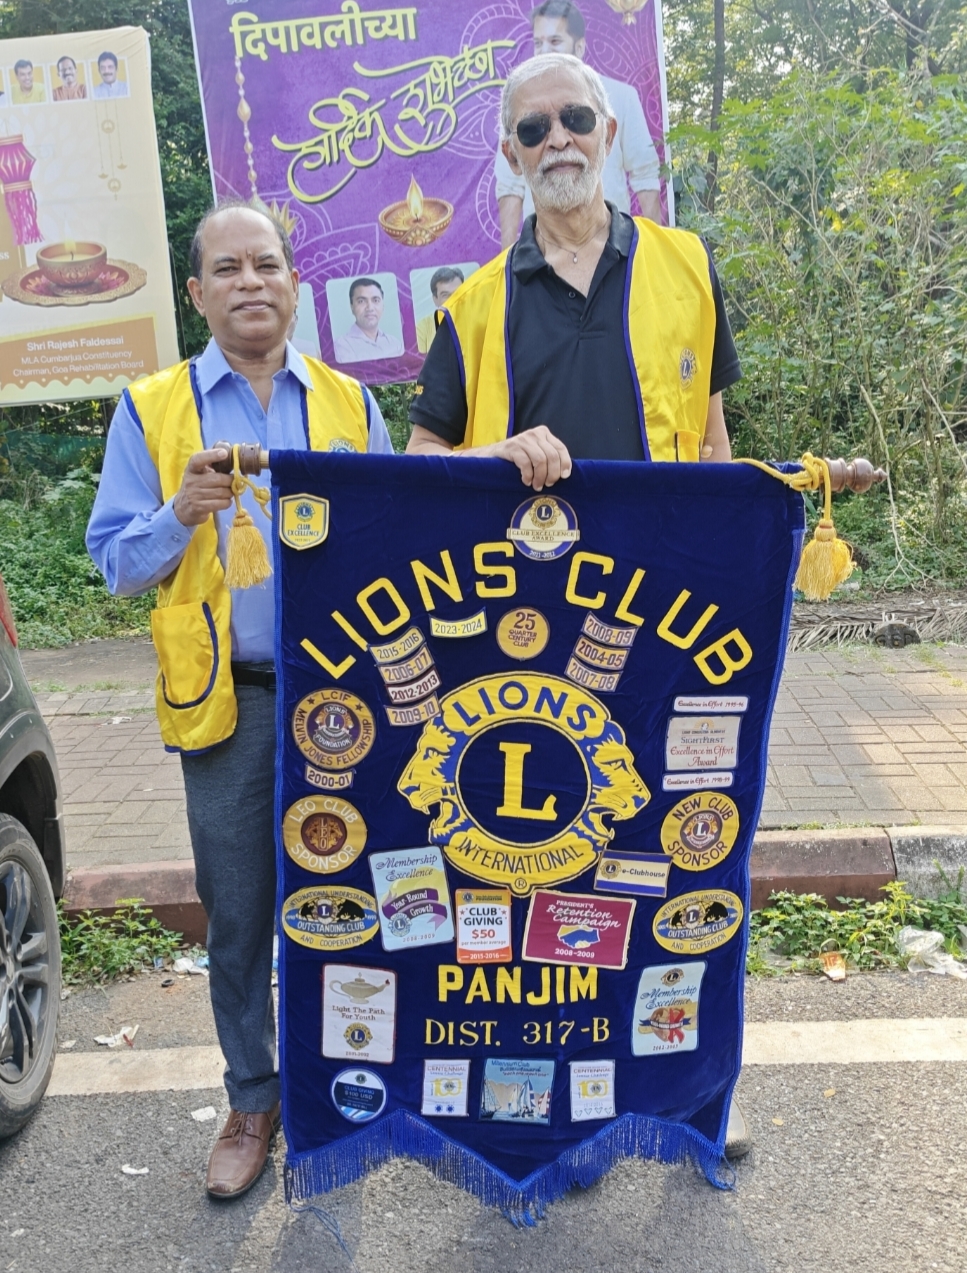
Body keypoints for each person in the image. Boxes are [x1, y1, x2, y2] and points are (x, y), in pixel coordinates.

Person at [406, 54, 749, 1157]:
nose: (555, 138)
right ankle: (552, 1094)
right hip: (521, 646)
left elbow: (710, 445)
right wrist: (490, 455)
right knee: (534, 864)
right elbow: (420, 470)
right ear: (509, 154)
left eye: (573, 120)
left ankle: (688, 1089)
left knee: (676, 858)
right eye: (531, 127)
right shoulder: (469, 304)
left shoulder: (689, 267)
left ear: (608, 134)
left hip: (665, 627)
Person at [87, 201, 395, 1200]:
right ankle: (253, 1099)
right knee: (239, 917)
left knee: (361, 897)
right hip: (227, 705)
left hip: (347, 698)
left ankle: (350, 1086)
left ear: (294, 281)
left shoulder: (351, 405)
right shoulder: (152, 409)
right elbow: (113, 566)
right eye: (228, 268)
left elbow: (405, 539)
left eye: (267, 263)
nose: (250, 281)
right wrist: (180, 512)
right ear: (197, 291)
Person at [495, 0, 660, 248]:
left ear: (580, 47)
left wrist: (655, 249)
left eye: (555, 41)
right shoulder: (518, 108)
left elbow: (645, 174)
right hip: (541, 256)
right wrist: (507, 267)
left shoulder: (622, 96)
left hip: (615, 249)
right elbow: (509, 187)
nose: (559, 140)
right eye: (538, 43)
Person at [333, 276, 404, 362]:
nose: (370, 308)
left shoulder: (394, 343)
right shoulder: (341, 346)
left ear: (383, 305)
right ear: (352, 307)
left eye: (376, 300)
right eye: (361, 301)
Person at [416, 266, 465, 354]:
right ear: (435, 299)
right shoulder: (423, 327)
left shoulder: (479, 321)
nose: (454, 300)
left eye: (458, 293)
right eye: (445, 295)